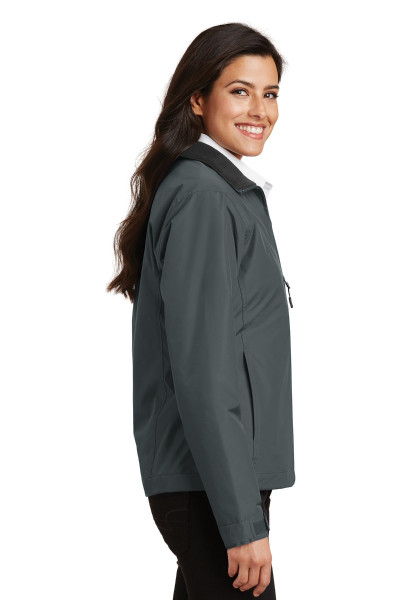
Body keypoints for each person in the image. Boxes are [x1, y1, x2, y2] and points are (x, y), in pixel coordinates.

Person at [107, 22, 296, 599]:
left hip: (211, 481)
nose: (259, 110)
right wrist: (241, 523)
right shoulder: (207, 198)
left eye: (270, 93)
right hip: (210, 486)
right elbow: (206, 374)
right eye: (240, 91)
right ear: (197, 100)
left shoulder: (219, 191)